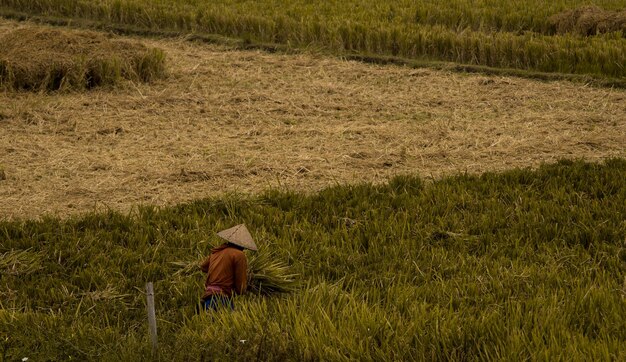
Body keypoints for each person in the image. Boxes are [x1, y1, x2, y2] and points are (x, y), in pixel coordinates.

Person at [199, 224, 258, 311]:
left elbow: (203, 267)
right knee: (228, 323)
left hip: (208, 297)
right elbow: (240, 288)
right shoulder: (239, 255)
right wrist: (248, 285)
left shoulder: (216, 252)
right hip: (221, 299)